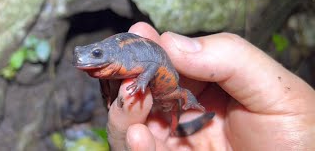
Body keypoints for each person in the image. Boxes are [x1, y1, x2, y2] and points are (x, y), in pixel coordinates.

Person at [106, 22, 315, 151]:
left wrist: (192, 103)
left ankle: (184, 117)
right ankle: (176, 126)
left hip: (170, 91)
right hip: (157, 100)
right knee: (141, 122)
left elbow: (178, 89)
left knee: (180, 98)